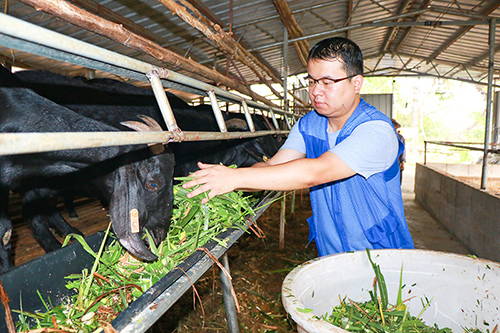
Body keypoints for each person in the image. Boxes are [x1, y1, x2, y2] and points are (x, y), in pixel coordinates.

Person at [183, 37, 414, 256]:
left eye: (327, 82)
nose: (315, 91)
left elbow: (316, 172)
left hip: (380, 253)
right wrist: (222, 180)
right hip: (331, 252)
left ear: (356, 83)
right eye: (312, 81)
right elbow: (273, 166)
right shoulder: (309, 125)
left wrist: (235, 178)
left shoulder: (376, 130)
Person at [391, 119, 406, 184]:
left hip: (397, 161)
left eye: (394, 126)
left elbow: (403, 150)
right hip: (388, 162)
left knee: (397, 181)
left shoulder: (401, 138)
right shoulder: (386, 136)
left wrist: (403, 161)